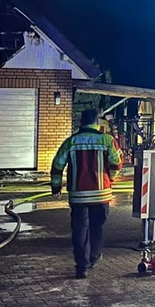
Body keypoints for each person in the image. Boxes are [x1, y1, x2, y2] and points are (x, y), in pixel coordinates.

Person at [50, 109, 122, 279]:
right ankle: (93, 257)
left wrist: (56, 186)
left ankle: (81, 266)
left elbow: (57, 165)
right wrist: (109, 179)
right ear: (97, 122)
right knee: (97, 227)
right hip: (101, 194)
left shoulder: (71, 141)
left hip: (78, 195)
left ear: (81, 123)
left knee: (79, 230)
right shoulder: (107, 140)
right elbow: (117, 164)